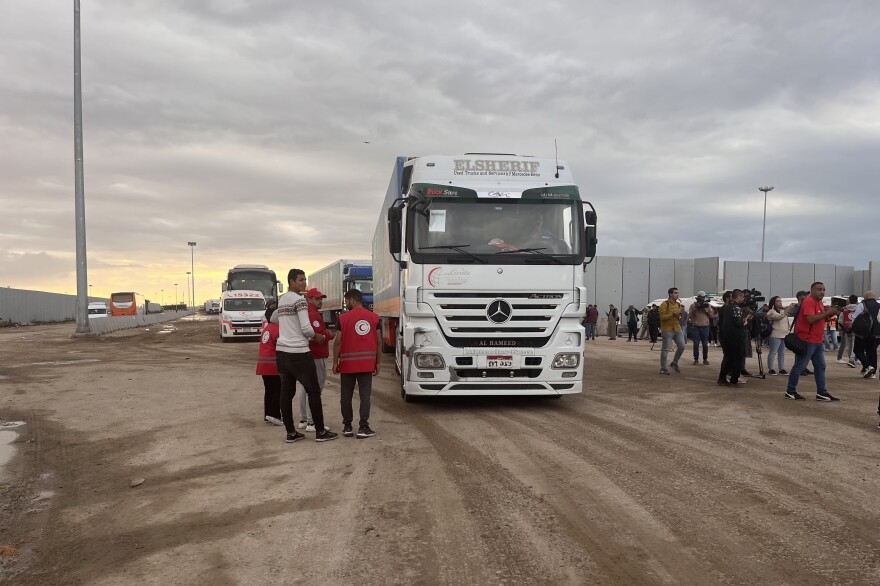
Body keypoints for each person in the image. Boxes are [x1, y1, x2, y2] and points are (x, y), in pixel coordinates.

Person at [273, 268, 338, 442]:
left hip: (282, 351)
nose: (304, 283)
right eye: (301, 280)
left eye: (304, 280)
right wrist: (318, 337)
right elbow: (306, 328)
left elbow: (276, 320)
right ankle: (320, 431)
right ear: (291, 281)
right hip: (299, 351)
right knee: (313, 391)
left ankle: (291, 432)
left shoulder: (282, 300)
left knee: (286, 393)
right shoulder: (300, 301)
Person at [333, 289, 381, 438]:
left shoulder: (342, 318)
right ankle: (363, 427)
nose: (346, 304)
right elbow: (379, 342)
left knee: (346, 396)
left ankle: (347, 426)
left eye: (347, 301)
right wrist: (377, 362)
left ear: (352, 300)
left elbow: (338, 342)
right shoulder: (374, 318)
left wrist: (335, 361)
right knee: (365, 396)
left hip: (347, 365)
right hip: (367, 364)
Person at [784, 281, 840, 401]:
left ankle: (821, 392)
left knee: (820, 366)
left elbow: (821, 319)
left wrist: (829, 314)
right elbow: (810, 319)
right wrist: (827, 313)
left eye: (824, 290)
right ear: (812, 290)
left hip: (817, 341)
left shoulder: (819, 302)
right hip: (807, 340)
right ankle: (790, 391)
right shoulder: (809, 301)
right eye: (819, 289)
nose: (822, 292)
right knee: (800, 366)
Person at [295, 288, 336, 432]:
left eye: (321, 298)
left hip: (307, 354)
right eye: (317, 299)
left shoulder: (307, 313)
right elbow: (317, 335)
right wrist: (329, 335)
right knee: (315, 389)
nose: (320, 301)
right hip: (317, 355)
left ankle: (304, 419)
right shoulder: (313, 314)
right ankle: (312, 422)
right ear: (309, 299)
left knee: (305, 387)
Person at [256, 300, 283, 426]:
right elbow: (280, 347)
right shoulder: (278, 330)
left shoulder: (267, 328)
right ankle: (274, 414)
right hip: (273, 365)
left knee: (269, 390)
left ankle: (267, 414)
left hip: (263, 364)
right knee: (278, 389)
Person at [717, 289, 750, 386]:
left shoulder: (726, 308)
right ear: (738, 296)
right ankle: (734, 380)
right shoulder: (737, 308)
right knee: (738, 359)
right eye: (742, 296)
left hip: (726, 337)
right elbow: (738, 323)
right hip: (735, 337)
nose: (743, 299)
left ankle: (722, 378)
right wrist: (744, 322)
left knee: (727, 358)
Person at [851, 291, 880, 379]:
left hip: (864, 333)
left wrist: (851, 328)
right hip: (877, 333)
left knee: (858, 350)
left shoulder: (862, 305)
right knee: (872, 351)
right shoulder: (879, 306)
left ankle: (868, 366)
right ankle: (873, 373)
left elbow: (856, 318)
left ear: (865, 297)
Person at [658, 287, 685, 375]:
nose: (677, 294)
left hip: (677, 328)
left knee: (682, 346)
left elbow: (679, 317)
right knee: (665, 349)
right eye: (676, 293)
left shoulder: (678, 305)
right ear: (670, 294)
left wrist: (679, 315)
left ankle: (674, 363)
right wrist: (673, 314)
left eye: (678, 293)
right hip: (667, 329)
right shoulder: (664, 304)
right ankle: (663, 368)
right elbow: (662, 317)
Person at [765, 295, 794, 375]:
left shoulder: (782, 311)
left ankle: (781, 368)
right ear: (773, 303)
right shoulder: (771, 312)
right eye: (778, 301)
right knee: (773, 352)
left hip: (784, 334)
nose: (780, 302)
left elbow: (784, 317)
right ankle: (770, 368)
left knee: (782, 353)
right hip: (775, 334)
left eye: (780, 301)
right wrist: (788, 309)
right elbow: (779, 317)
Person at [688, 291, 716, 365]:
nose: (702, 298)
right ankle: (696, 359)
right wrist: (696, 308)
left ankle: (705, 359)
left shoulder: (707, 305)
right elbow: (690, 316)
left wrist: (706, 309)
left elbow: (712, 316)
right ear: (698, 298)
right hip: (696, 327)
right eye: (701, 297)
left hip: (705, 327)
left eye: (703, 297)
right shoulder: (693, 305)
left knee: (705, 344)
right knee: (696, 344)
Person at [838, 294, 859, 368]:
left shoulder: (844, 309)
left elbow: (840, 320)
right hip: (856, 329)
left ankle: (851, 359)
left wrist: (841, 329)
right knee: (854, 345)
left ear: (849, 301)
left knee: (849, 346)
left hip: (846, 329)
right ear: (856, 301)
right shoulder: (859, 308)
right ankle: (852, 359)